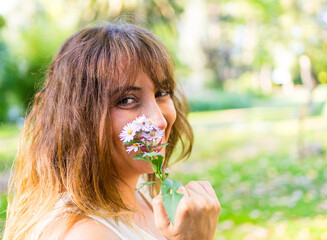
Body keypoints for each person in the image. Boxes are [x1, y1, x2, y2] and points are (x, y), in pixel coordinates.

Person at [3, 23, 221, 240]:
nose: (159, 120)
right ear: (81, 117)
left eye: (161, 93)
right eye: (127, 100)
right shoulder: (86, 234)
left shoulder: (141, 192)